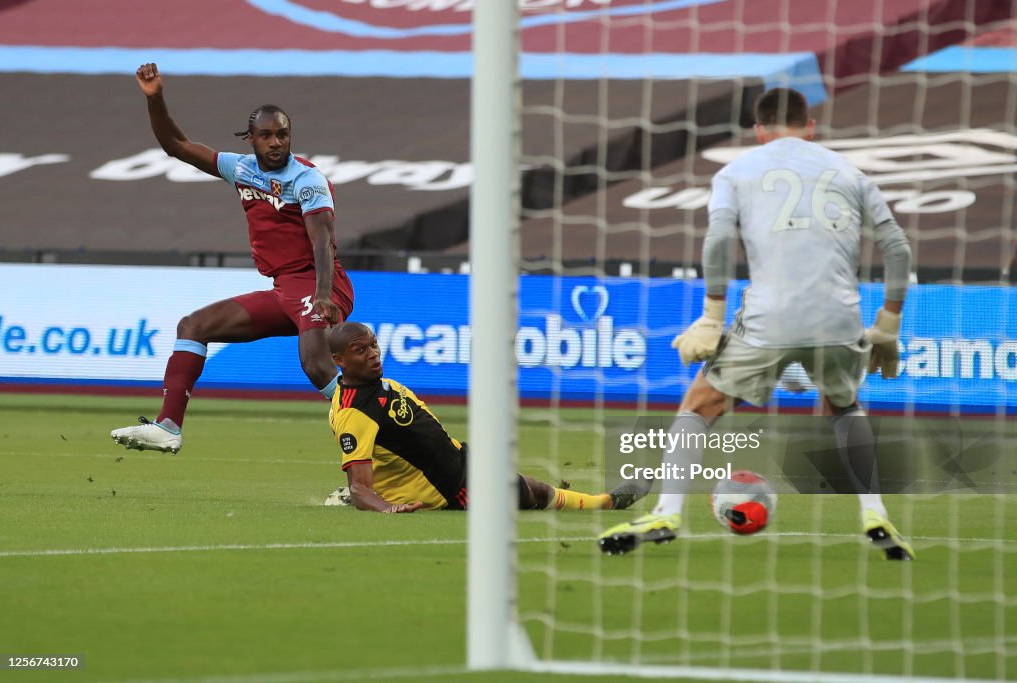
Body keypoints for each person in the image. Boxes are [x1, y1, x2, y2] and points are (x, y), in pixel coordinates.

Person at [599, 88, 915, 560]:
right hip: (839, 315)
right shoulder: (850, 172)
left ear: (758, 131)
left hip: (770, 315)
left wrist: (711, 318)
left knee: (700, 402)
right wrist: (887, 326)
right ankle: (876, 515)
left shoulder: (736, 171)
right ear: (810, 127)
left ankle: (666, 514)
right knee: (845, 407)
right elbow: (898, 250)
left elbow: (718, 241)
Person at [111, 63, 353, 454]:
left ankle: (377, 437)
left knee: (316, 363)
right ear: (251, 138)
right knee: (193, 326)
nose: (276, 142)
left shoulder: (307, 179)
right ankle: (169, 425)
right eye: (266, 135)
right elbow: (176, 145)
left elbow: (322, 240)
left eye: (283, 134)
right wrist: (155, 99)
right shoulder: (239, 168)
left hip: (317, 282)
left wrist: (323, 294)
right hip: (284, 289)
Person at [328, 322, 643, 513]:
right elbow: (359, 484)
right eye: (360, 350)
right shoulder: (354, 412)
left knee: (530, 488)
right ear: (339, 360)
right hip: (449, 486)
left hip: (458, 460)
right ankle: (604, 503)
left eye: (374, 344)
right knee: (530, 492)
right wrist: (384, 505)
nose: (373, 353)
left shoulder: (378, 385)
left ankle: (601, 502)